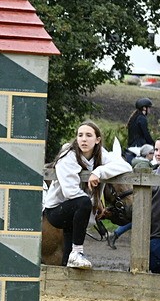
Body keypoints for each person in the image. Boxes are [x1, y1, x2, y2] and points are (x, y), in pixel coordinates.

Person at [42, 121, 132, 268]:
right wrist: (95, 204)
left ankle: (69, 264)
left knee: (66, 258)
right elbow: (71, 193)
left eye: (88, 135)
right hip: (56, 212)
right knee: (83, 202)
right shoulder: (68, 156)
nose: (83, 139)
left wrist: (99, 172)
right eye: (80, 135)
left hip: (75, 212)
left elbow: (125, 166)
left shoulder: (99, 155)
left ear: (97, 140)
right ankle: (78, 252)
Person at [126, 97, 160, 162]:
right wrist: (153, 143)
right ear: (144, 108)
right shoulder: (142, 118)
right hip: (139, 146)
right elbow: (146, 134)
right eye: (149, 108)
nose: (150, 110)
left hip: (131, 146)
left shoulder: (134, 118)